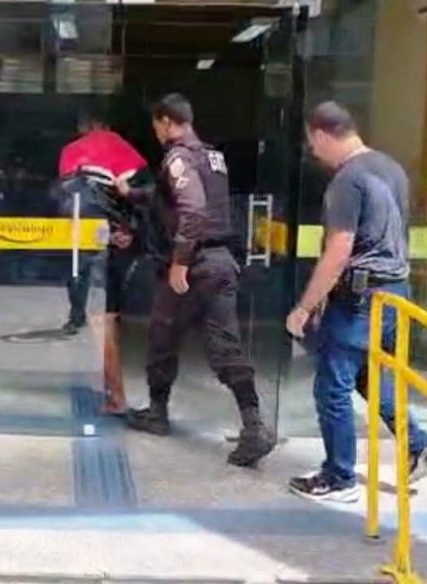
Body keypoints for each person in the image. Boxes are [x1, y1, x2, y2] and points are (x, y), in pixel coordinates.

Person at [286, 102, 427, 502]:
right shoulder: (391, 168)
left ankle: (339, 477)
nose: (314, 152)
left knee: (332, 387)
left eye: (313, 143)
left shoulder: (347, 180)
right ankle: (418, 444)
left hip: (360, 299)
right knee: (370, 378)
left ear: (322, 134)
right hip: (395, 293)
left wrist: (305, 306)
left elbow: (339, 249)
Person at [116, 94, 275, 467]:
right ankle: (254, 425)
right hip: (221, 264)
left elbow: (192, 210)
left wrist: (179, 262)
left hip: (194, 265)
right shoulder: (211, 157)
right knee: (225, 346)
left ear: (166, 122)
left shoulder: (178, 157)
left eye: (156, 126)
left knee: (161, 336)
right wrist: (131, 194)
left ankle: (157, 413)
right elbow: (168, 197)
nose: (156, 133)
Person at [58, 111, 149, 414]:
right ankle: (117, 392)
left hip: (82, 238)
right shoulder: (121, 146)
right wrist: (129, 230)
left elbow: (65, 199)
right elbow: (144, 192)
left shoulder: (71, 152)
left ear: (82, 127)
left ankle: (115, 393)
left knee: (95, 308)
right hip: (114, 239)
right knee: (108, 315)